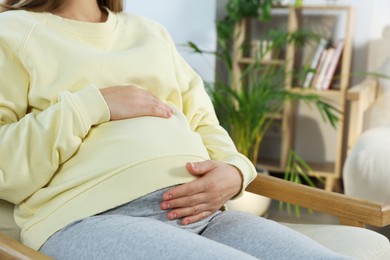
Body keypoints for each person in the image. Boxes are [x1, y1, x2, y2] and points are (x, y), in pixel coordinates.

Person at [0, 0, 350, 259]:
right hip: (90, 217)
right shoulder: (12, 32)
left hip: (204, 213)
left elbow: (203, 122)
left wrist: (235, 169)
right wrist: (93, 105)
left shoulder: (150, 33)